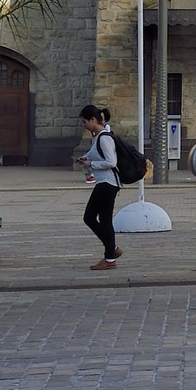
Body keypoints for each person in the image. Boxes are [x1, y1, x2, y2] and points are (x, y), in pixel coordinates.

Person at [77, 104, 121, 270]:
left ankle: (110, 258)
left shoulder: (105, 138)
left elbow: (111, 162)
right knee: (90, 217)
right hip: (103, 183)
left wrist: (91, 164)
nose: (84, 126)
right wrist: (84, 159)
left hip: (108, 183)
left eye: (84, 122)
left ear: (93, 120)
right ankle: (112, 249)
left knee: (104, 219)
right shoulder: (97, 137)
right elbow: (93, 155)